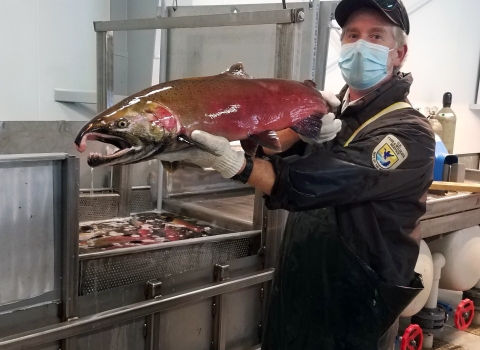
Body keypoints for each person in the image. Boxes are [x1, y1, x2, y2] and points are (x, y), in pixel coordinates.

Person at [157, 0, 436, 348]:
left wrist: (232, 164)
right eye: (352, 34)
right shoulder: (336, 114)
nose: (361, 45)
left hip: (354, 308)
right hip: (299, 289)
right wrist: (283, 133)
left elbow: (317, 182)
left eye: (376, 36)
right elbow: (287, 149)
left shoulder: (409, 134)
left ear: (399, 53)